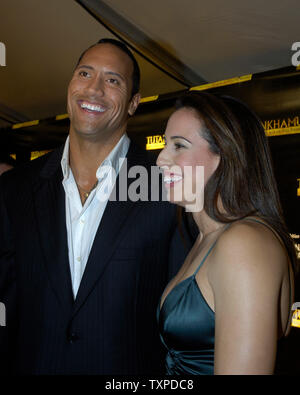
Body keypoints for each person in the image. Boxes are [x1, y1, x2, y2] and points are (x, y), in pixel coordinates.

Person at [0, 38, 187, 375]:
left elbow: (182, 323)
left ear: (133, 103)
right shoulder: (14, 190)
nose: (94, 89)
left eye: (113, 80)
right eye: (85, 73)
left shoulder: (166, 187)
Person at [156, 91, 297, 375]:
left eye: (178, 146)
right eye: (164, 144)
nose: (161, 159)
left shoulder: (243, 243)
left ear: (223, 153)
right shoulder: (205, 237)